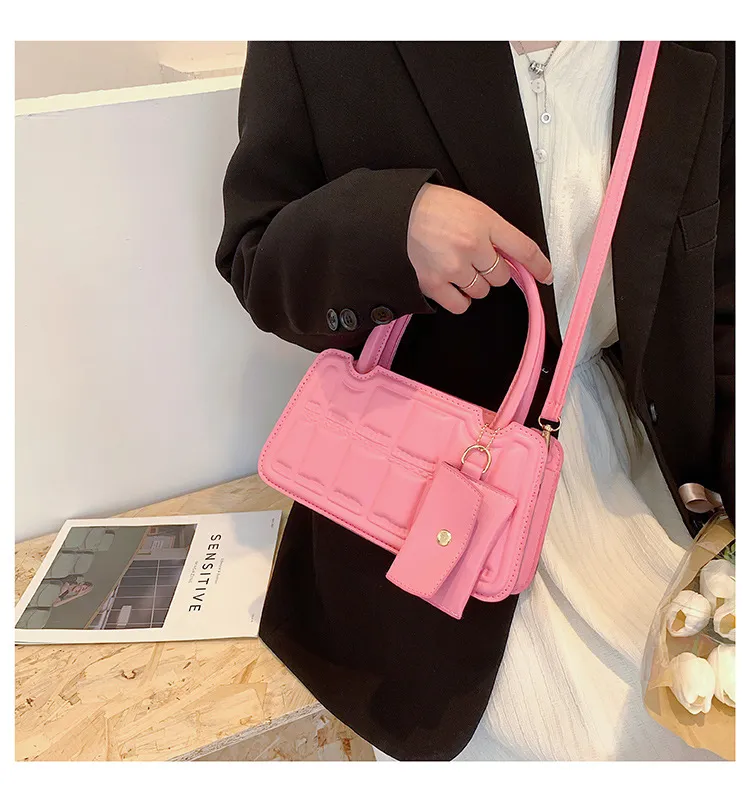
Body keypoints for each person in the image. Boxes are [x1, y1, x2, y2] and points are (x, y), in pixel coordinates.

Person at [216, 42, 734, 761]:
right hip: (421, 498)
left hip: (643, 471)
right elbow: (256, 256)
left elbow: (718, 289)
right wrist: (392, 226)